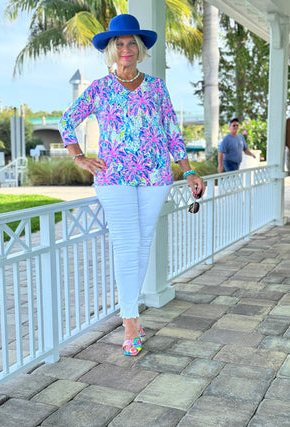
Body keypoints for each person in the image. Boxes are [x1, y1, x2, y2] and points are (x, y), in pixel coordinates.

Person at [58, 14, 205, 356]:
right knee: (127, 244)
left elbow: (171, 131)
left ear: (140, 49)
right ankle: (129, 321)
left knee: (142, 242)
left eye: (131, 44)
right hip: (113, 177)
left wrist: (188, 171)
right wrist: (79, 157)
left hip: (155, 176)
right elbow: (67, 120)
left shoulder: (156, 86)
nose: (126, 48)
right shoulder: (98, 88)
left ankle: (132, 317)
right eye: (119, 44)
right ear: (112, 50)